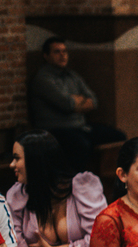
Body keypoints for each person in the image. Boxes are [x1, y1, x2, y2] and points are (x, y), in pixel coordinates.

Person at [29, 36, 125, 172]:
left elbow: (93, 101)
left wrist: (76, 101)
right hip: (55, 130)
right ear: (46, 56)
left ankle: (109, 179)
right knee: (81, 145)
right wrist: (79, 101)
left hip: (80, 127)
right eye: (57, 52)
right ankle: (74, 181)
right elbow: (67, 104)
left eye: (64, 51)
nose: (62, 55)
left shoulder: (72, 76)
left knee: (118, 137)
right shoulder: (43, 79)